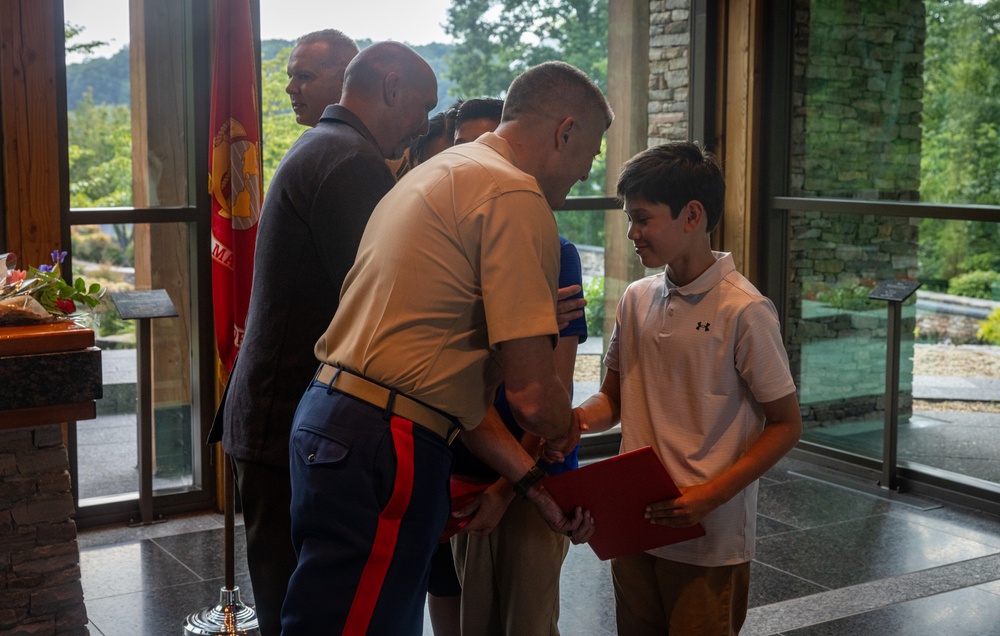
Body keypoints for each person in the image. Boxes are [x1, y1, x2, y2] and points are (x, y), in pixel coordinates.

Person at [280, 61, 613, 635]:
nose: (583, 175)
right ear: (564, 132)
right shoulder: (513, 192)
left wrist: (532, 484)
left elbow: (447, 389)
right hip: (387, 438)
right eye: (590, 154)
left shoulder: (441, 172)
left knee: (344, 619)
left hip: (337, 419)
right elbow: (532, 395)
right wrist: (563, 431)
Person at [208, 41, 438, 636]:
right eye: (422, 107)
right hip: (290, 420)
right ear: (391, 89)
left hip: (273, 413)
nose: (422, 126)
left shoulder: (326, 145)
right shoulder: (350, 160)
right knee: (306, 614)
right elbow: (379, 301)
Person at [572, 142, 803, 635]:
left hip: (707, 538)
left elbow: (786, 424)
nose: (632, 234)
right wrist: (572, 422)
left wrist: (711, 495)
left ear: (692, 215)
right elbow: (612, 399)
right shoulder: (636, 299)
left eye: (643, 218)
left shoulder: (744, 310)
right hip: (634, 527)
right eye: (629, 219)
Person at [285, 29, 360, 128]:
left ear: (345, 79)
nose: (289, 88)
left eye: (304, 77)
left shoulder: (330, 142)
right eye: (290, 76)